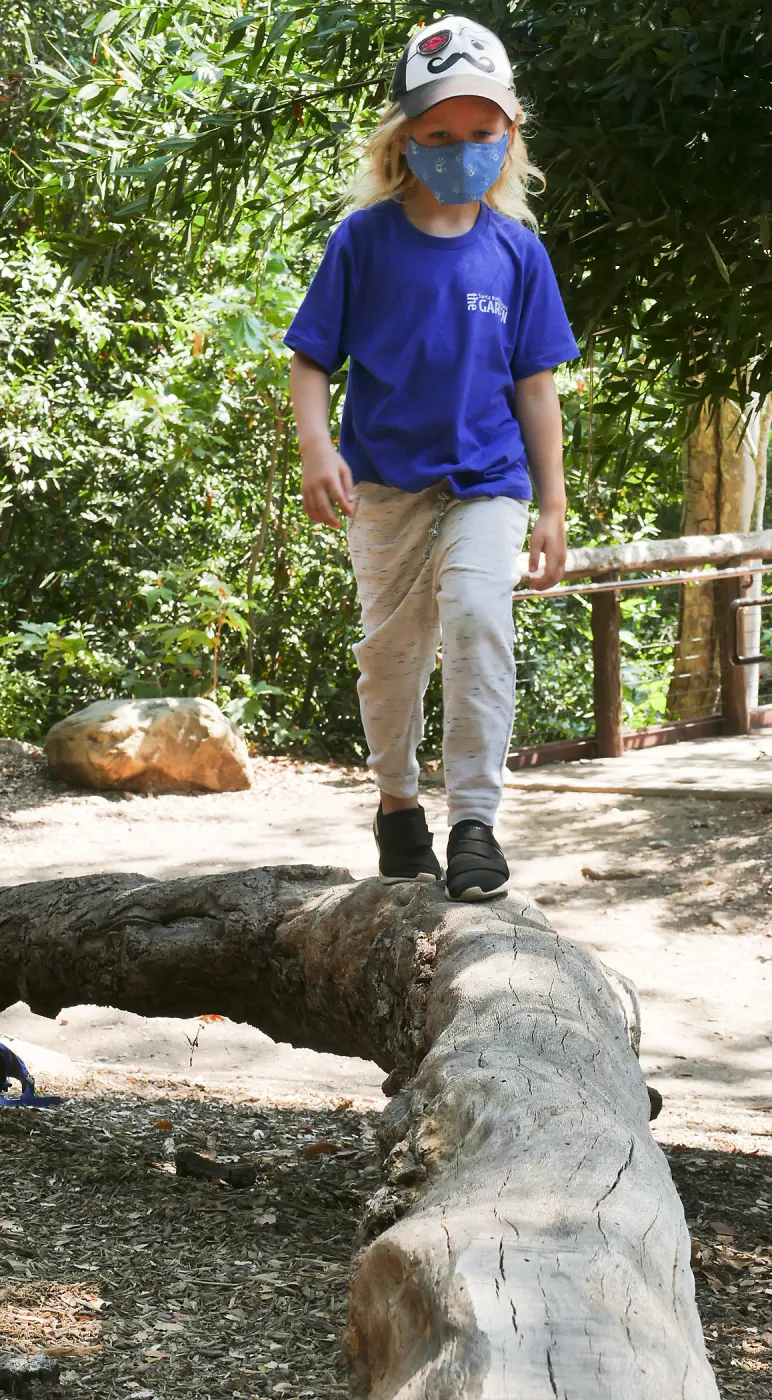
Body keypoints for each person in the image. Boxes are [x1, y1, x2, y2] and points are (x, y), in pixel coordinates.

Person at [285, 15, 578, 901]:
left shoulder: (518, 254)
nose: (461, 150)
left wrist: (555, 505)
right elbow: (310, 357)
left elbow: (536, 388)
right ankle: (398, 805)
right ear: (407, 137)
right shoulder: (364, 241)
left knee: (480, 620)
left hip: (487, 482)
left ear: (508, 138)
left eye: (481, 135)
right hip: (383, 486)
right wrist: (316, 448)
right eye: (440, 134)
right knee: (392, 654)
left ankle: (476, 823)